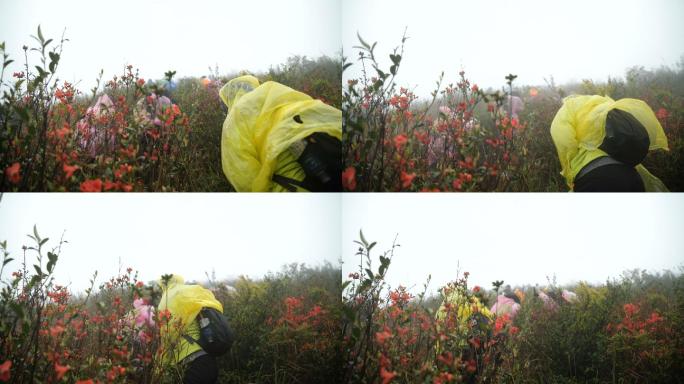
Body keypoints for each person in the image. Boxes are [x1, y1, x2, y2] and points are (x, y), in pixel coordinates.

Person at [219, 75, 342, 192]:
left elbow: (244, 178)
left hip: (287, 188)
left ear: (229, 97)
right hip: (322, 171)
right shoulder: (271, 94)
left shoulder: (232, 122)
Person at [550, 95, 669, 192]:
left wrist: (570, 173)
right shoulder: (600, 108)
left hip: (592, 179)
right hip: (632, 176)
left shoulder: (569, 111)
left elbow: (564, 141)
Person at [157, 275, 224, 384]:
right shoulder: (191, 291)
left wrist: (158, 370)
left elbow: (166, 337)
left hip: (191, 364)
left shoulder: (166, 300)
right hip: (209, 358)